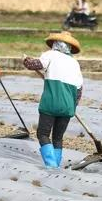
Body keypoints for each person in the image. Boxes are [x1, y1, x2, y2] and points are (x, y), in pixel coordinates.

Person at [23, 31, 83, 169]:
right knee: (57, 137)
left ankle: (51, 165)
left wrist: (26, 60)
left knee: (43, 134)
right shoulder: (75, 63)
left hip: (51, 103)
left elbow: (34, 65)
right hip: (68, 106)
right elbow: (79, 90)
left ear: (55, 44)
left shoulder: (50, 55)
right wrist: (72, 107)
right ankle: (56, 166)